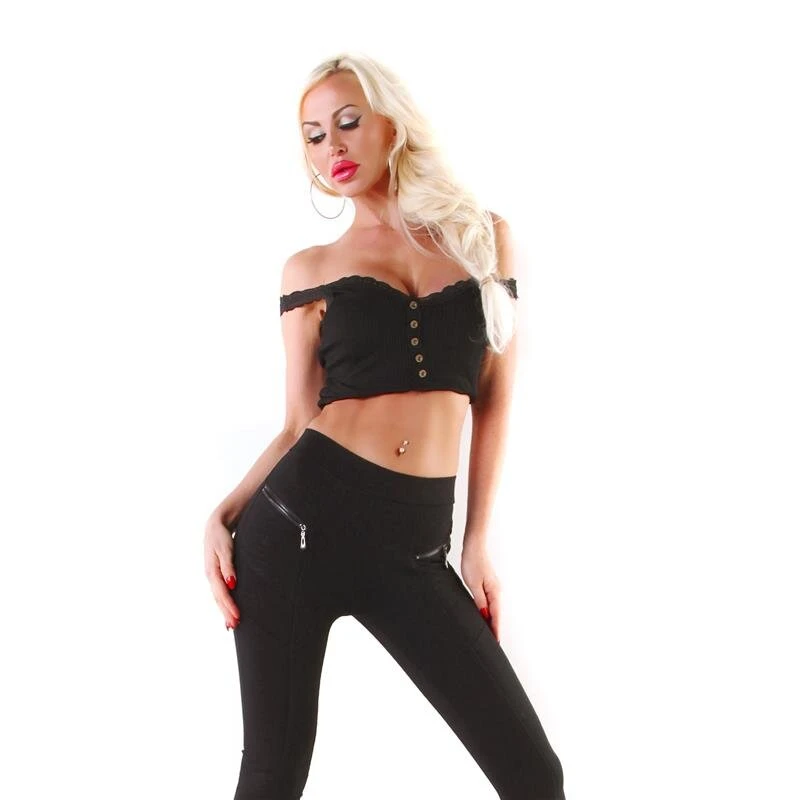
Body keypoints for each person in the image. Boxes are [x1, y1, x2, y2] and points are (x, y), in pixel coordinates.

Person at [203, 52, 566, 800]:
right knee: (271, 776)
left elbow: (495, 396)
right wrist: (224, 513)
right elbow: (298, 423)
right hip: (297, 531)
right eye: (313, 136)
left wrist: (477, 541)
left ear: (391, 125)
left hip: (416, 548)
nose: (331, 147)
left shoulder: (483, 238)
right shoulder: (309, 269)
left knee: (534, 775)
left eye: (347, 122)